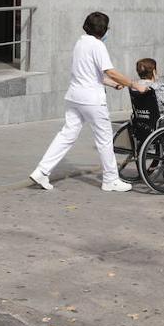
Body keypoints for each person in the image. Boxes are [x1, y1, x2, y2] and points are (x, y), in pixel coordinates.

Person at [30, 12, 141, 192]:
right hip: (92, 100)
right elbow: (110, 71)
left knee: (66, 135)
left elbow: (90, 74)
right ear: (103, 29)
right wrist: (133, 84)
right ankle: (111, 179)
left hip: (74, 97)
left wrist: (113, 84)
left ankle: (42, 170)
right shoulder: (98, 46)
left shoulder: (80, 43)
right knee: (105, 139)